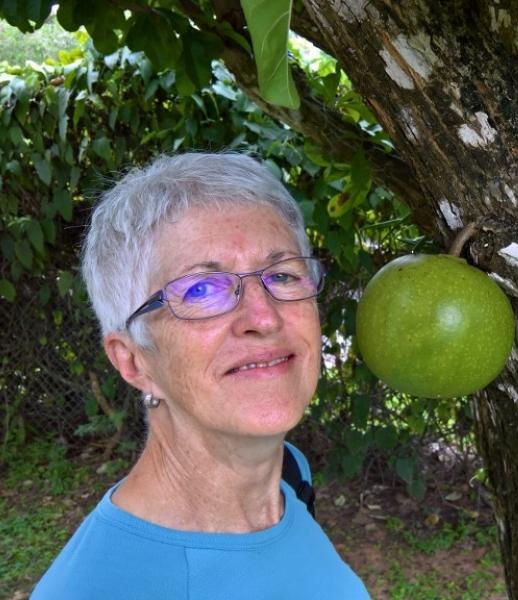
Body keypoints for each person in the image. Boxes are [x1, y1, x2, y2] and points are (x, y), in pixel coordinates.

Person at [32, 153, 370, 599]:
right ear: (133, 361)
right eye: (200, 289)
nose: (263, 317)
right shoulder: (97, 589)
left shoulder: (288, 476)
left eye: (283, 274)